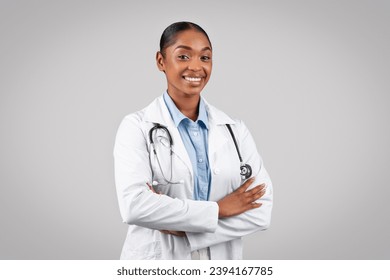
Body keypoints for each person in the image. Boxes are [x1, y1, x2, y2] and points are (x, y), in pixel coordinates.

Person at [114, 21, 273, 260]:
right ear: (161, 61)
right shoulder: (136, 126)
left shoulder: (234, 130)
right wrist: (220, 210)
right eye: (184, 56)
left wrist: (188, 231)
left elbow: (261, 212)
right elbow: (135, 206)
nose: (196, 67)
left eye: (205, 58)